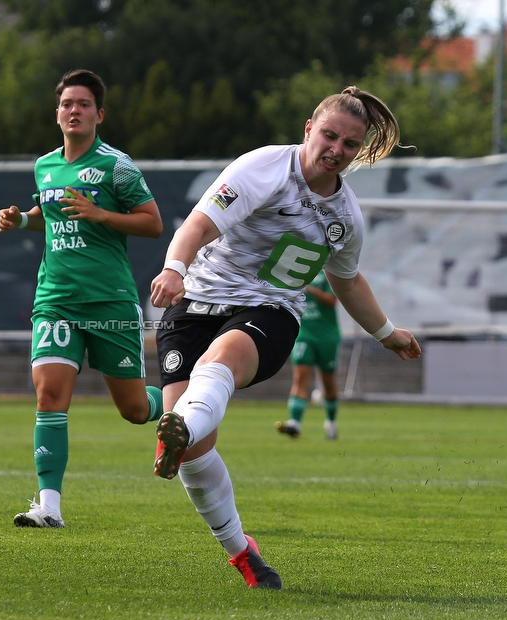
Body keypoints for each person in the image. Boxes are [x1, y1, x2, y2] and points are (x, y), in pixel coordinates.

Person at [148, 86, 421, 588]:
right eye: (330, 135)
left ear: (359, 151)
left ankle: (179, 421)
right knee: (193, 455)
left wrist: (386, 333)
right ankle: (242, 551)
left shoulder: (345, 216)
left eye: (349, 144)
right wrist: (174, 269)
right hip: (194, 304)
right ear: (308, 131)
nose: (336, 149)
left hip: (269, 311)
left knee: (221, 361)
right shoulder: (262, 168)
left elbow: (346, 279)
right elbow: (201, 223)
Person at [0, 69, 165, 529]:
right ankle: (48, 506)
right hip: (55, 299)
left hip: (109, 301)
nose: (74, 110)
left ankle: (179, 402)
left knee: (133, 410)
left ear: (99, 114)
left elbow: (153, 223)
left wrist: (101, 214)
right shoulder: (45, 165)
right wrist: (21, 220)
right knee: (50, 394)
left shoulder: (117, 166)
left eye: (83, 104)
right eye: (67, 103)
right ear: (58, 113)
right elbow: (47, 216)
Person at [275, 269, 342, 440]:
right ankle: (295, 423)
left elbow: (332, 300)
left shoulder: (326, 273)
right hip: (304, 333)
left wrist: (310, 289)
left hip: (327, 335)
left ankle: (331, 423)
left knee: (328, 381)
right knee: (299, 377)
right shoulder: (295, 270)